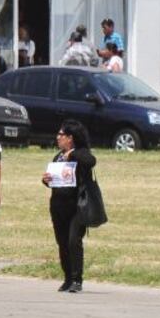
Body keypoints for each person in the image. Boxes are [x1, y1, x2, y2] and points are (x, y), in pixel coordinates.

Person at [42, 119, 97, 293]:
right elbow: (55, 180)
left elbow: (90, 161)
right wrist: (46, 180)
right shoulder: (58, 156)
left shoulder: (81, 154)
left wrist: (72, 155)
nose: (58, 137)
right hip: (58, 206)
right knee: (62, 242)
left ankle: (76, 279)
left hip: (77, 207)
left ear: (70, 137)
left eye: (61, 135)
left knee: (74, 241)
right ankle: (67, 278)